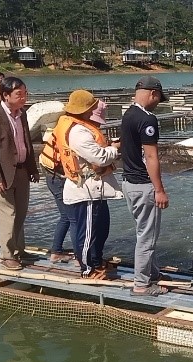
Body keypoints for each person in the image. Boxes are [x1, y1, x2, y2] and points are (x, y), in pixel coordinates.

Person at [56, 90, 121, 279]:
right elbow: (99, 157)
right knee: (87, 233)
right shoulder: (78, 131)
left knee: (101, 228)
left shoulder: (80, 126)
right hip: (85, 190)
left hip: (95, 188)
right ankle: (87, 269)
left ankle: (97, 261)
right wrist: (114, 149)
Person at [0, 76, 40, 270]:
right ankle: (6, 255)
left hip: (22, 171)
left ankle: (19, 249)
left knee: (21, 213)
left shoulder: (22, 114)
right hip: (3, 174)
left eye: (25, 93)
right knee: (8, 214)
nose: (23, 97)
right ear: (5, 95)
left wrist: (33, 168)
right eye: (19, 94)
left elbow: (26, 143)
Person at [120, 76, 169, 296]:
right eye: (158, 98)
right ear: (153, 94)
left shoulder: (128, 113)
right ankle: (141, 284)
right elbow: (151, 156)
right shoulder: (148, 119)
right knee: (147, 237)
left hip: (129, 183)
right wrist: (159, 189)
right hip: (143, 185)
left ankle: (153, 272)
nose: (158, 103)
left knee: (145, 232)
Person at [39, 126, 76, 264]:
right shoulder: (71, 132)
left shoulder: (63, 128)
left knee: (66, 216)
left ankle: (56, 251)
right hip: (57, 178)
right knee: (72, 218)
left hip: (52, 175)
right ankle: (77, 256)